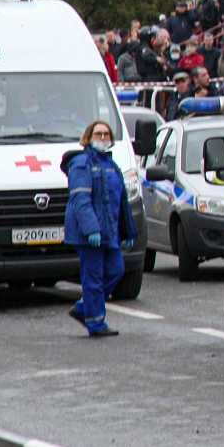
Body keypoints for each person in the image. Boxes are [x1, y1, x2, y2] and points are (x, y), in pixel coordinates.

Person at [61, 121, 137, 338]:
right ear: (88, 137)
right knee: (93, 278)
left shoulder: (112, 166)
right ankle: (95, 323)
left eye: (106, 134)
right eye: (98, 134)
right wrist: (91, 229)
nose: (102, 138)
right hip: (90, 235)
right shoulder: (81, 163)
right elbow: (81, 200)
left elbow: (122, 202)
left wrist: (128, 232)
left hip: (109, 232)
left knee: (116, 270)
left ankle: (85, 307)